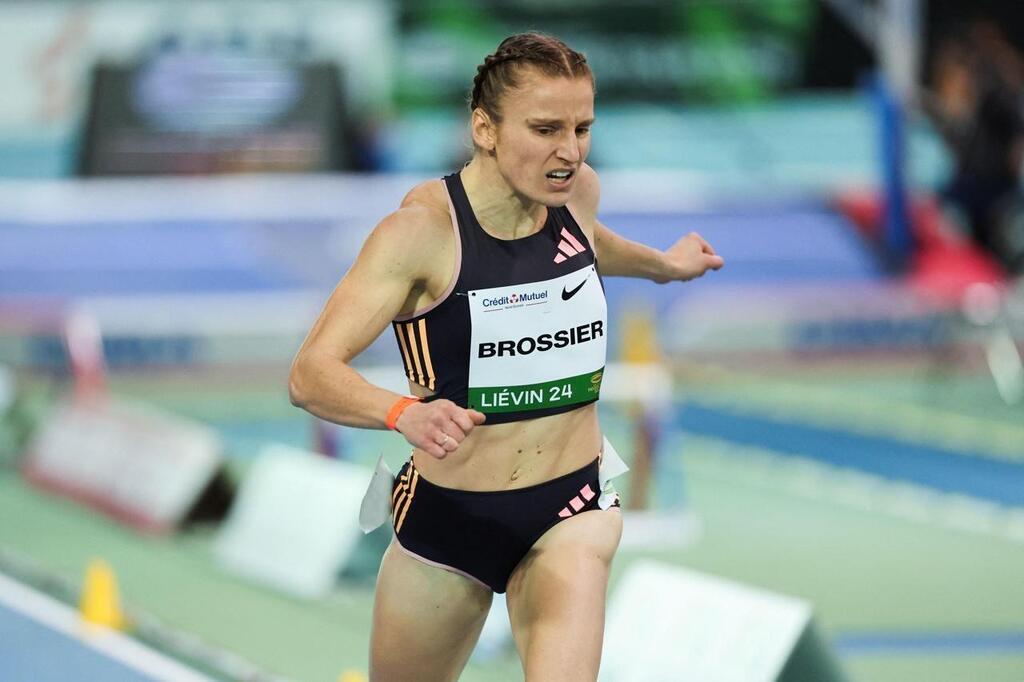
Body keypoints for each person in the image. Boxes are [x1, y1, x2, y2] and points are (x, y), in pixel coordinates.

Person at [289, 32, 723, 682]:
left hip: (570, 507)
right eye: (546, 128)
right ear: (485, 129)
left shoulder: (576, 194)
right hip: (449, 521)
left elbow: (585, 244)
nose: (569, 151)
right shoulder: (420, 235)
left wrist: (660, 265)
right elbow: (310, 374)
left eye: (582, 127)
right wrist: (401, 412)